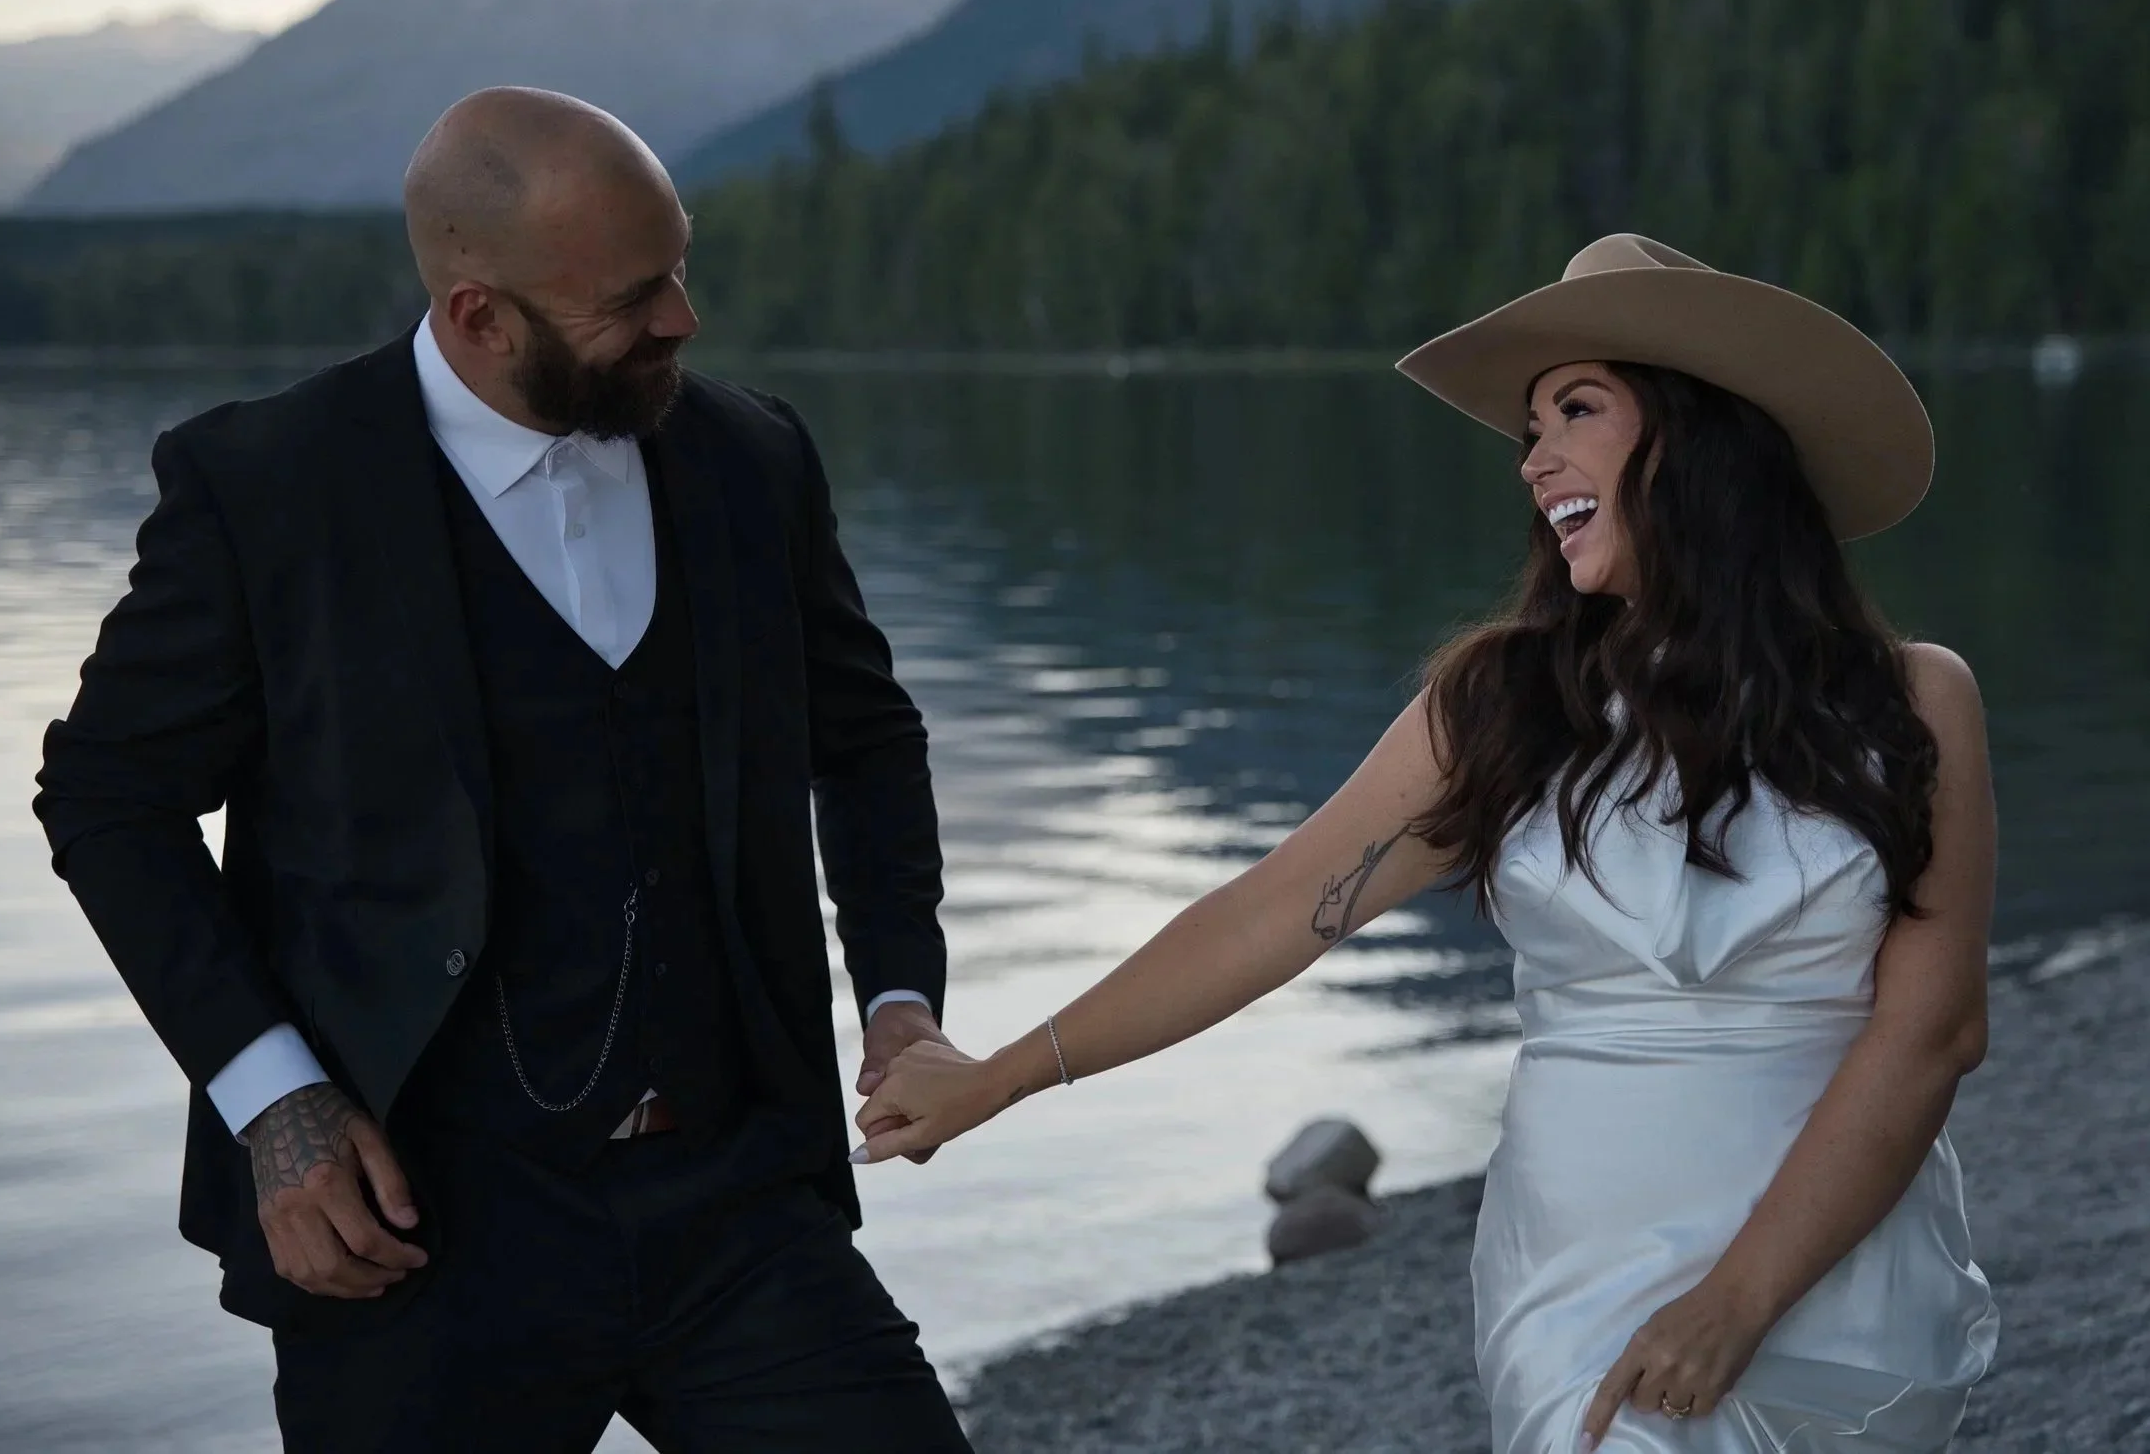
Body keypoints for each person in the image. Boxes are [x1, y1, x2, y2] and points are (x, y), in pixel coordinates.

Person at [855, 234, 2000, 1451]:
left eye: (1577, 410)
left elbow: (1933, 1032)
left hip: (1839, 1272)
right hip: (1585, 1274)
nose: (1535, 459)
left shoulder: (1912, 702)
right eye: (1529, 430)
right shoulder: (1506, 705)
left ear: (1700, 435)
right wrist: (1002, 1076)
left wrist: (1741, 1297)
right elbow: (1270, 912)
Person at [35, 87, 973, 1453]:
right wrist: (274, 1099)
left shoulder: (753, 458)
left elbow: (868, 737)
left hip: (740, 1206)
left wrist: (897, 994)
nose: (682, 319)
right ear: (480, 315)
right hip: (413, 1236)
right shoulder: (266, 486)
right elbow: (109, 797)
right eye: (633, 297)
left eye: (680, 267)